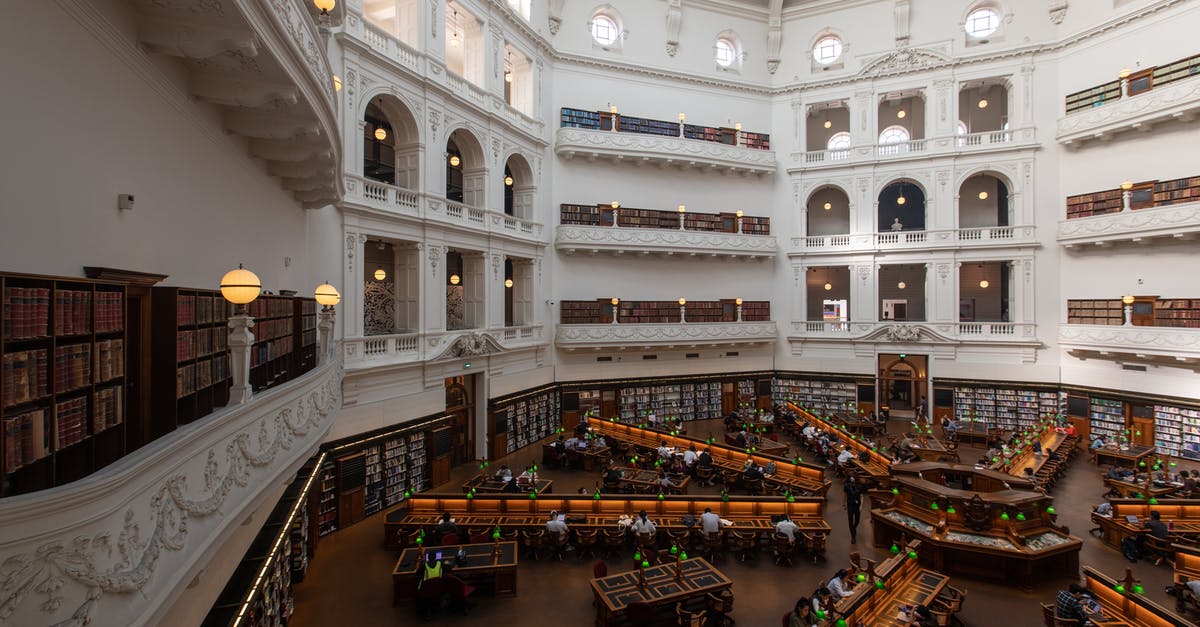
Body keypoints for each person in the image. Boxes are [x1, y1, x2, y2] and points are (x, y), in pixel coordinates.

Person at [844, 474, 864, 543]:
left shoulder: (859, 486)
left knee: (857, 520)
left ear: (855, 478)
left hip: (857, 505)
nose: (852, 479)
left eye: (853, 478)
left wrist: (861, 505)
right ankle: (853, 537)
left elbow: (861, 496)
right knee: (850, 520)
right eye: (851, 478)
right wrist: (844, 504)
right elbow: (845, 495)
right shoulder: (846, 486)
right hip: (850, 505)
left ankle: (853, 528)